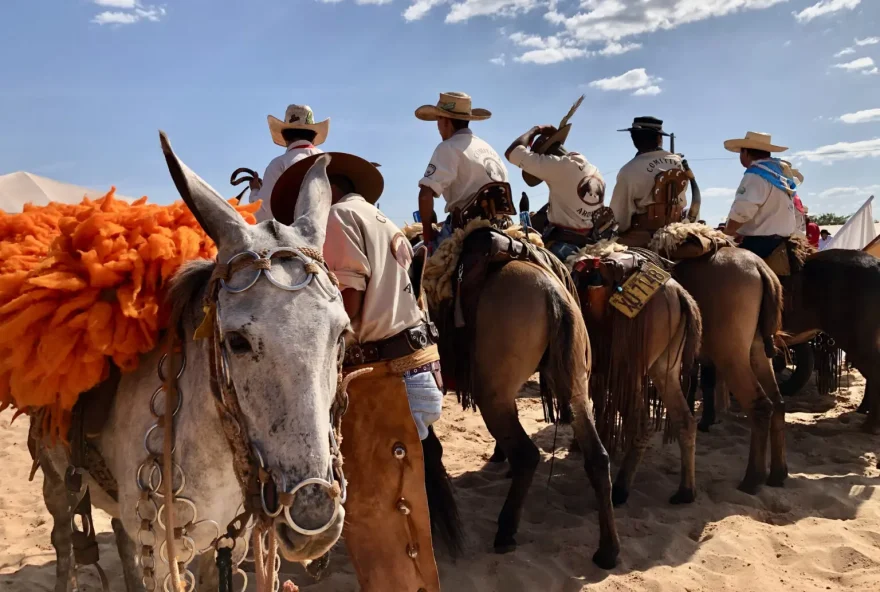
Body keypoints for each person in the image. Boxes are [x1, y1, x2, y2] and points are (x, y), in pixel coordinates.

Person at [271, 152, 443, 590]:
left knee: (378, 509)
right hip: (416, 365)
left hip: (382, 377)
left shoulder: (338, 218)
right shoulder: (382, 220)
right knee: (398, 499)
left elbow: (349, 302)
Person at [504, 114, 606, 261]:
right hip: (588, 241)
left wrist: (536, 129)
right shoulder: (594, 170)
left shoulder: (559, 166)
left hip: (563, 244)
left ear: (546, 156)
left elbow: (512, 152)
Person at [414, 91, 509, 249]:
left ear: (446, 121)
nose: (437, 126)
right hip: (499, 227)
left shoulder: (448, 147)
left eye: (438, 119)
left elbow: (425, 194)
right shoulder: (489, 149)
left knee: (413, 260)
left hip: (464, 229)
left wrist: (427, 235)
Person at [609, 116, 688, 245]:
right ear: (659, 138)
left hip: (644, 236)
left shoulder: (628, 171)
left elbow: (619, 217)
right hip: (678, 230)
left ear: (633, 139)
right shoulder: (679, 163)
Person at [721, 131, 798, 258]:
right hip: (784, 241)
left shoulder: (755, 174)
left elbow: (742, 211)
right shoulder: (780, 174)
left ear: (745, 152)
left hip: (759, 244)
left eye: (741, 152)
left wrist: (727, 233)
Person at [248, 104, 329, 222]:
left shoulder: (278, 164)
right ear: (313, 135)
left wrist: (255, 191)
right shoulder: (328, 161)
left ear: (285, 136)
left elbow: (262, 214)